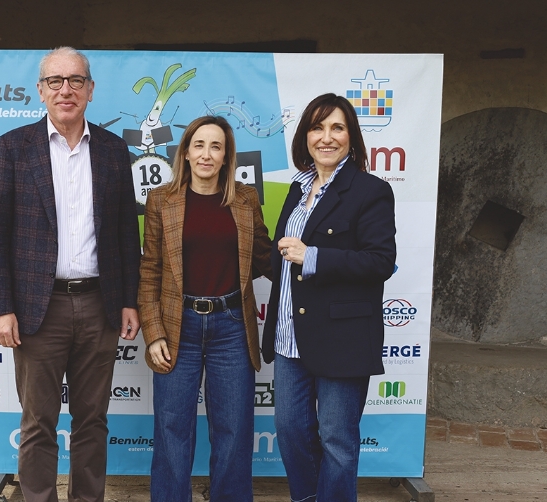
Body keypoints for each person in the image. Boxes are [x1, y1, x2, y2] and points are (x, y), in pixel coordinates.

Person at [0, 47, 141, 502]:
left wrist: (129, 300)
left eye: (75, 81)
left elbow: (126, 233)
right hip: (37, 309)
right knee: (38, 422)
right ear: (41, 90)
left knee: (93, 421)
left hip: (99, 305)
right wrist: (0, 307)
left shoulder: (113, 150)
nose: (65, 89)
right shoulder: (13, 148)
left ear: (90, 90)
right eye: (55, 81)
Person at [262, 93, 397, 501]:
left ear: (351, 136)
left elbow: (380, 261)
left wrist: (313, 256)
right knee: (290, 432)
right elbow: (280, 256)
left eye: (337, 127)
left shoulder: (370, 190)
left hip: (342, 339)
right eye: (317, 128)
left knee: (337, 440)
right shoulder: (297, 189)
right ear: (305, 136)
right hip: (290, 338)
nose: (326, 137)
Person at [138, 115, 271, 502]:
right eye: (199, 145)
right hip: (177, 325)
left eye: (216, 146)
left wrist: (313, 260)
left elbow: (263, 257)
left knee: (234, 431)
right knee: (172, 430)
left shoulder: (245, 199)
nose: (206, 154)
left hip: (232, 327)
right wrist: (153, 333)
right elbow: (150, 270)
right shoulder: (161, 200)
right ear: (185, 153)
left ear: (227, 156)